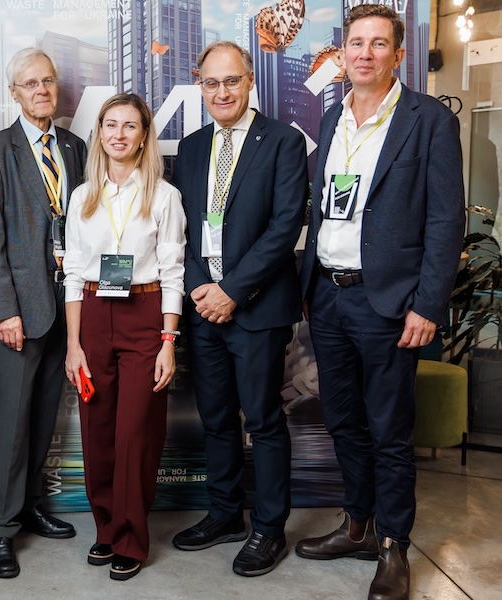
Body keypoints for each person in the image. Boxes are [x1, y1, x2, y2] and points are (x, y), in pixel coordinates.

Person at [296, 6, 465, 599]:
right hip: (329, 295)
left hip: (390, 302)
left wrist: (427, 304)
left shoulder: (428, 120)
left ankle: (393, 544)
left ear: (398, 54)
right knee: (342, 421)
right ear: (341, 54)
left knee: (389, 430)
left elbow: (445, 222)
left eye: (378, 44)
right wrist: (312, 289)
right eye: (355, 44)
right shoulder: (330, 116)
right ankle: (358, 524)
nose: (364, 53)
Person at [171, 40, 308, 577]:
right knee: (217, 418)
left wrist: (234, 291)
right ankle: (225, 513)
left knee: (265, 420)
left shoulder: (282, 141)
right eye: (211, 83)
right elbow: (178, 228)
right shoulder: (191, 146)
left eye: (231, 81)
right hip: (205, 305)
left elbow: (284, 227)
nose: (221, 91)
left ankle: (269, 529)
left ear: (250, 81)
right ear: (199, 86)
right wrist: (203, 289)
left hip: (256, 307)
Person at [0, 47, 88, 578]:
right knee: (12, 424)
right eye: (30, 84)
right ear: (13, 93)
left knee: (44, 417)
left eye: (47, 82)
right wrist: (4, 310)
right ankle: (0, 527)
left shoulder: (75, 145)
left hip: (68, 304)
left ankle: (28, 506)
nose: (41, 90)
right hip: (19, 310)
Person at [63, 93, 186, 581]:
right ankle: (106, 528)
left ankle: (132, 538)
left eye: (129, 126)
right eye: (110, 125)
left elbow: (174, 271)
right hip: (92, 315)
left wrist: (168, 341)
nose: (118, 134)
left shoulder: (164, 196)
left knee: (136, 431)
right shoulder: (82, 196)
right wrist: (74, 345)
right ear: (100, 133)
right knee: (97, 431)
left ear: (143, 136)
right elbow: (73, 272)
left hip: (144, 313)